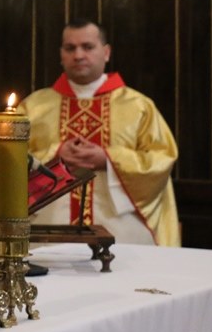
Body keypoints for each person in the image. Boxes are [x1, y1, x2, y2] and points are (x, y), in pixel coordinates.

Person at [19, 18, 180, 246]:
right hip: (48, 227)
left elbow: (162, 158)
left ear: (106, 52)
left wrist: (109, 159)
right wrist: (56, 154)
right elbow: (11, 161)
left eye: (87, 47)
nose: (78, 55)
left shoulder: (138, 106)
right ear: (61, 54)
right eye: (70, 48)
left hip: (120, 227)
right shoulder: (34, 107)